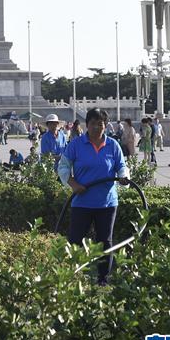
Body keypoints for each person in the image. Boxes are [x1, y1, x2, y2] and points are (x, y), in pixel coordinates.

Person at [57, 108, 129, 286]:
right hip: (82, 202)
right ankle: (71, 276)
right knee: (75, 240)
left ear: (106, 125)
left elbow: (122, 165)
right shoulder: (76, 144)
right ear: (86, 125)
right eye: (93, 124)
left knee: (105, 241)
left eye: (101, 124)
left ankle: (103, 279)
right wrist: (73, 184)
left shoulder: (113, 144)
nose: (97, 127)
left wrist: (124, 176)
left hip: (107, 203)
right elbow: (63, 167)